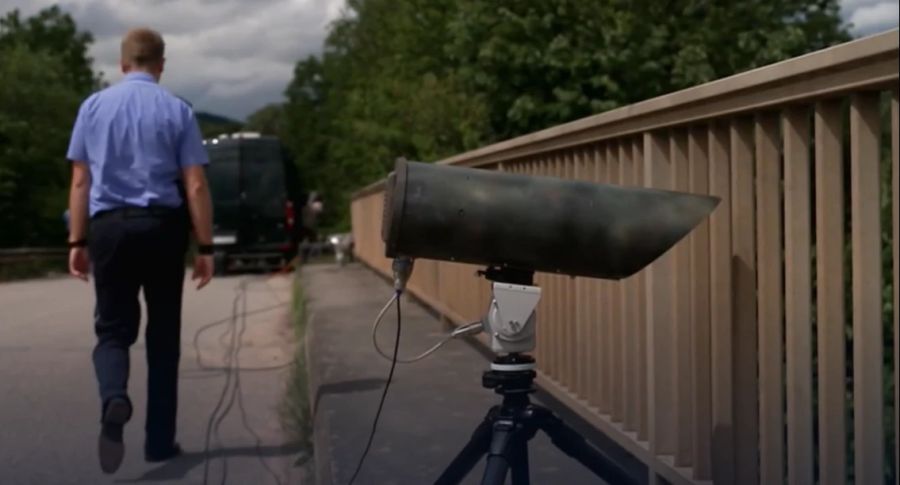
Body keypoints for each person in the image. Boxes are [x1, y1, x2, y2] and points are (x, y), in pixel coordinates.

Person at [65, 28, 214, 474]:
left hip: (109, 228)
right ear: (161, 65)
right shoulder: (177, 109)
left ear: (122, 63)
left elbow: (79, 181)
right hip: (162, 228)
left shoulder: (92, 107)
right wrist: (205, 246)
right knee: (163, 336)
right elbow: (196, 183)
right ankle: (159, 442)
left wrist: (77, 241)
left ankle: (114, 396)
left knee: (112, 330)